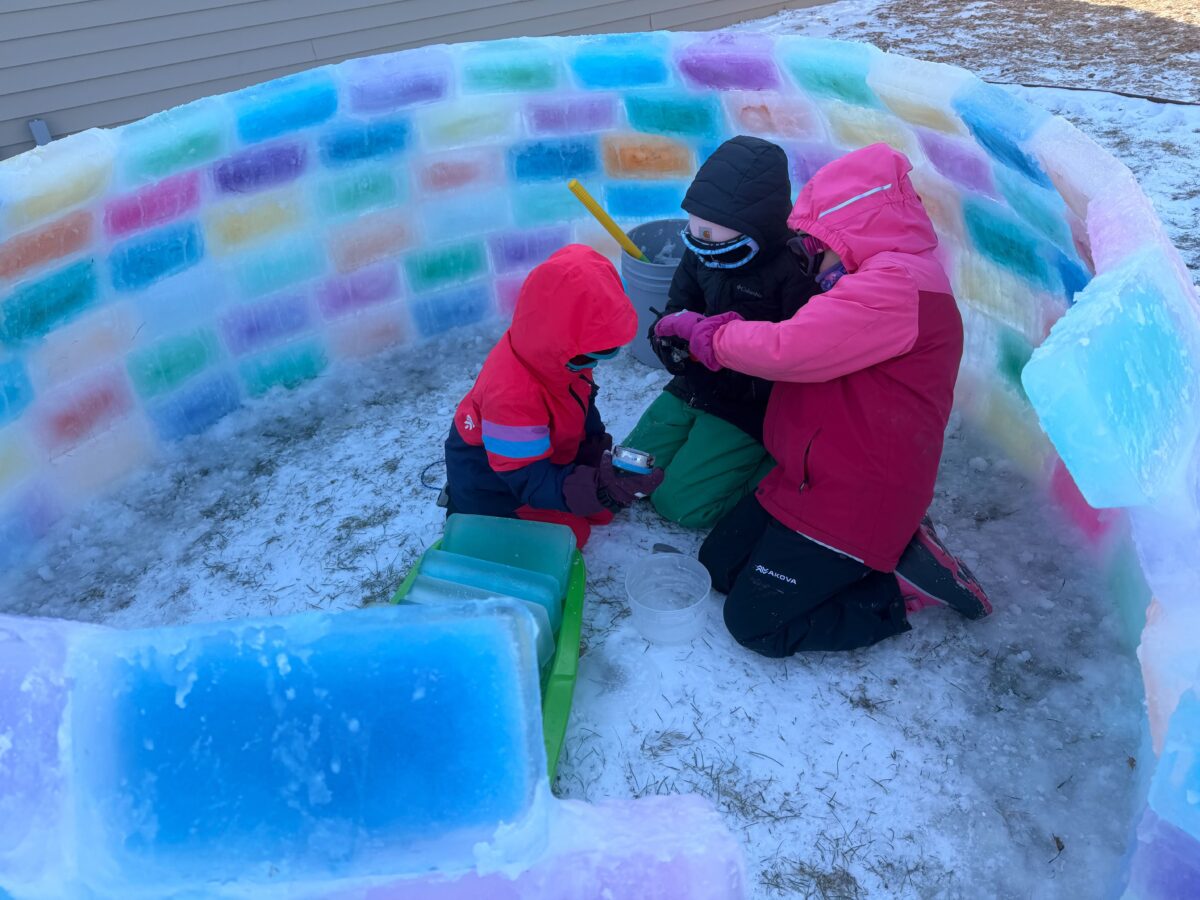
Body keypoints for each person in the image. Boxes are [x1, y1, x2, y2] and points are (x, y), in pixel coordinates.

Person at [655, 143, 992, 657]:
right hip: (810, 474)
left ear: (851, 228)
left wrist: (711, 336)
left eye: (822, 246)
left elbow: (787, 347)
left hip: (854, 494)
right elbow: (811, 336)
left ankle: (898, 589)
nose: (816, 260)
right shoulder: (877, 276)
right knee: (719, 567)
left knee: (754, 624)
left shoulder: (895, 288)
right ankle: (884, 551)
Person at [623, 135, 818, 530]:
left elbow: (800, 355)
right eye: (697, 232)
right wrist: (673, 338)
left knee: (679, 504)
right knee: (628, 472)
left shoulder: (793, 269)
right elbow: (677, 305)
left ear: (757, 228)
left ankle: (774, 467)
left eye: (716, 239)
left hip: (749, 406)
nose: (702, 245)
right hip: (694, 386)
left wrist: (733, 346)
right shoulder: (700, 253)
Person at [444, 244, 663, 549]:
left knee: (600, 513)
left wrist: (595, 454)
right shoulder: (511, 395)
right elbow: (525, 478)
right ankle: (469, 511)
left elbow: (580, 403)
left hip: (540, 456)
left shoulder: (561, 354)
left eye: (605, 352)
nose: (594, 365)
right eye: (591, 356)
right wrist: (597, 487)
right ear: (561, 340)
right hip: (494, 483)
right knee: (573, 535)